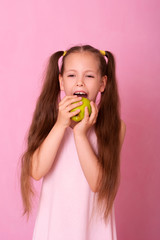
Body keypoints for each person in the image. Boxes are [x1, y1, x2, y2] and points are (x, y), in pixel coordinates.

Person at [20, 45, 126, 240]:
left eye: (89, 76)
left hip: (93, 232)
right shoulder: (51, 123)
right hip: (54, 230)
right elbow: (35, 171)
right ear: (61, 82)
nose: (80, 83)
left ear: (103, 84)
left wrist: (80, 134)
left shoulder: (115, 127)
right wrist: (61, 125)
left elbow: (98, 184)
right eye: (71, 76)